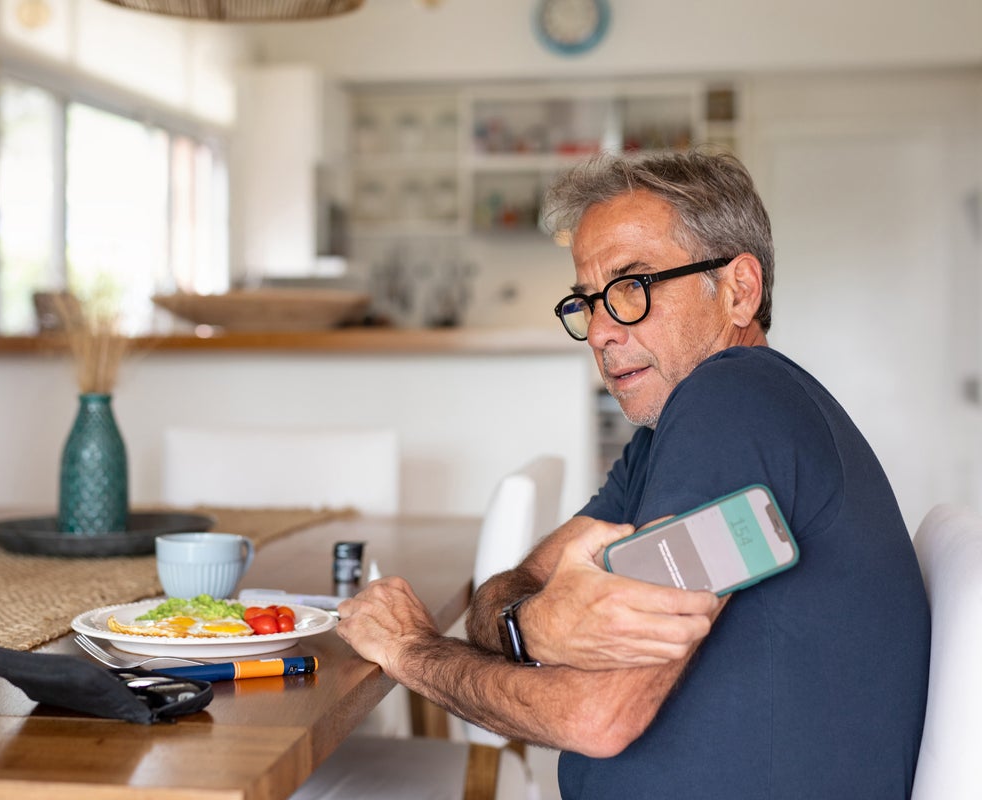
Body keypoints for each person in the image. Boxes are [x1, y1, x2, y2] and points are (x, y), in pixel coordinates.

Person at [335, 149, 931, 799]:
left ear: (739, 290)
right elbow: (512, 585)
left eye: (631, 287)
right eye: (588, 301)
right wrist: (531, 624)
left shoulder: (733, 402)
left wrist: (412, 652)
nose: (598, 332)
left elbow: (597, 715)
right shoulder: (671, 434)